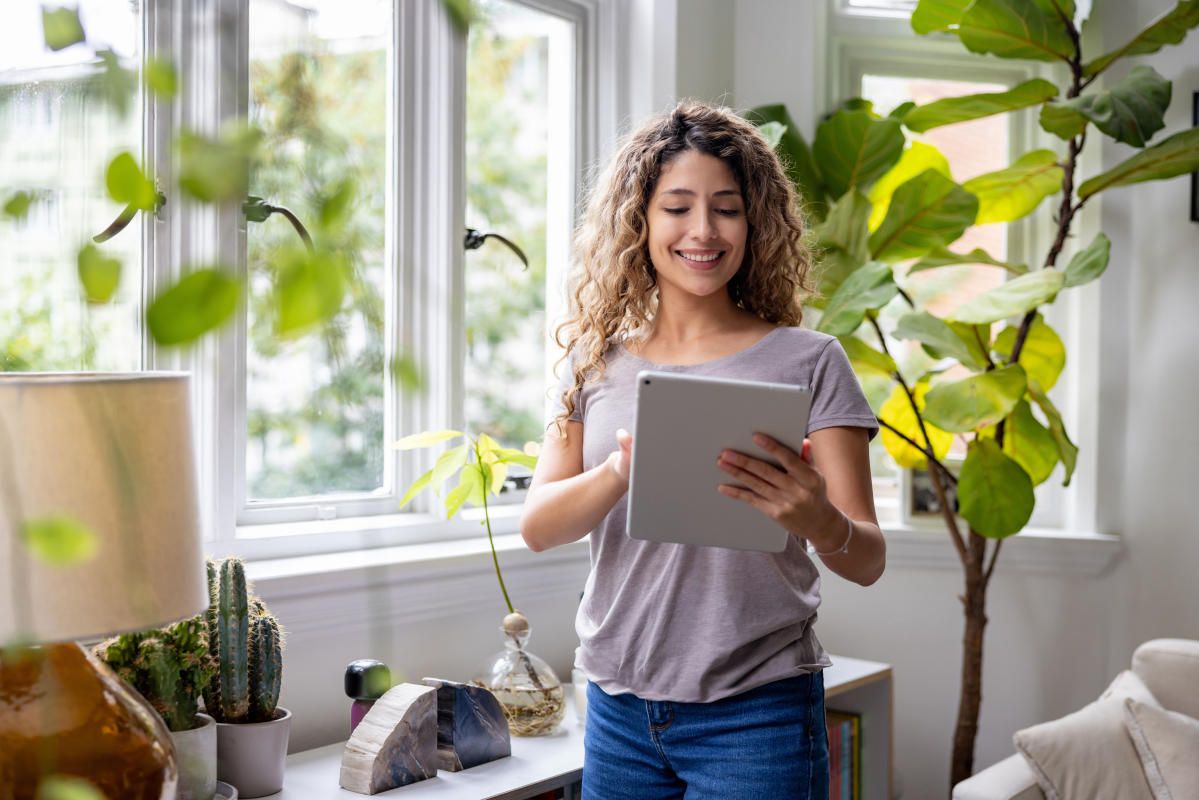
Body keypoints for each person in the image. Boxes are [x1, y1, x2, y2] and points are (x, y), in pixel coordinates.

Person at [519, 101, 885, 800]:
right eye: (677, 206)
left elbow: (866, 559)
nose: (702, 231)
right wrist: (623, 470)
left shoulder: (809, 360)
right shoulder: (591, 363)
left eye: (726, 208)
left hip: (759, 714)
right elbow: (539, 527)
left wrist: (819, 520)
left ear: (754, 224)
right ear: (640, 220)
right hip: (618, 708)